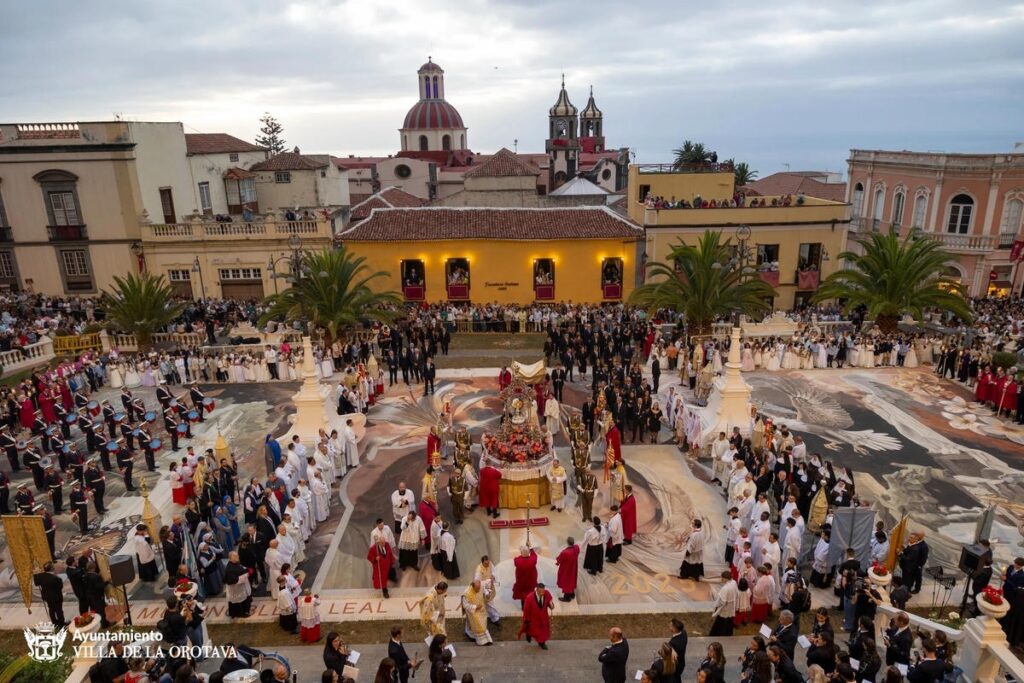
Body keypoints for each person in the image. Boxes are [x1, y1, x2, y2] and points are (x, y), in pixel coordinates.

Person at [518, 582, 554, 650]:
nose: (542, 594)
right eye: (540, 592)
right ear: (536, 590)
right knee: (532, 630)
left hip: (544, 618)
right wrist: (527, 620)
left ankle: (542, 643)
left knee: (543, 632)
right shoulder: (529, 598)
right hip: (534, 619)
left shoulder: (546, 593)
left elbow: (549, 602)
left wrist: (551, 605)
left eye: (543, 592)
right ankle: (528, 634)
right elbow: (526, 611)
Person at [33, 562, 65, 627]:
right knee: (59, 610)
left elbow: (36, 583)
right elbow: (60, 587)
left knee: (51, 609)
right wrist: (57, 577)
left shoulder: (40, 576)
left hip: (47, 596)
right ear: (52, 568)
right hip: (56, 597)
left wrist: (35, 574)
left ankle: (54, 623)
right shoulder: (55, 578)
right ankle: (61, 623)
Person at [462, 580, 493, 646]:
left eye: (479, 588)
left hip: (481, 610)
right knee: (479, 625)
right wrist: (475, 607)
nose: (478, 590)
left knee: (483, 625)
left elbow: (485, 591)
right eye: (477, 589)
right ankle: (482, 642)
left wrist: (487, 594)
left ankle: (487, 640)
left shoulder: (481, 586)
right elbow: (465, 605)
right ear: (472, 586)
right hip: (473, 612)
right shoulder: (466, 593)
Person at [224, 551, 252, 618]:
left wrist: (246, 570)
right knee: (237, 602)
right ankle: (240, 613)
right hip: (235, 589)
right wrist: (245, 575)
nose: (238, 557)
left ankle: (244, 610)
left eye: (237, 555)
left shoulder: (235, 563)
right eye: (235, 556)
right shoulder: (230, 569)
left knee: (242, 599)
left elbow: (240, 568)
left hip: (240, 587)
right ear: (231, 558)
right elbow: (232, 580)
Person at [555, 537, 580, 602]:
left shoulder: (565, 552)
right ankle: (572, 594)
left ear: (567, 542)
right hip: (573, 568)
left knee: (567, 582)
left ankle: (567, 598)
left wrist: (557, 560)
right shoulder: (576, 548)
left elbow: (559, 560)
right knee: (571, 580)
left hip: (566, 569)